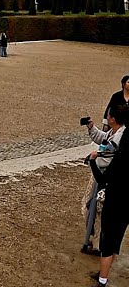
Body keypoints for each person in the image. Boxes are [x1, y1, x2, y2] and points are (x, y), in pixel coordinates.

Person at [83, 105, 126, 256]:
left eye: (108, 115)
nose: (106, 117)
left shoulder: (119, 137)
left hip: (107, 179)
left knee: (98, 210)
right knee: (92, 208)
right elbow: (102, 139)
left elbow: (105, 155)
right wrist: (92, 127)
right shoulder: (115, 132)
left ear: (113, 118)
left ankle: (99, 246)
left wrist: (93, 158)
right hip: (104, 175)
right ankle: (96, 242)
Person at [95, 104, 129, 286]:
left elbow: (104, 176)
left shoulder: (121, 147)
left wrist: (93, 161)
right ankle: (103, 273)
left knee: (108, 238)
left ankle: (102, 280)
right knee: (116, 237)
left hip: (117, 195)